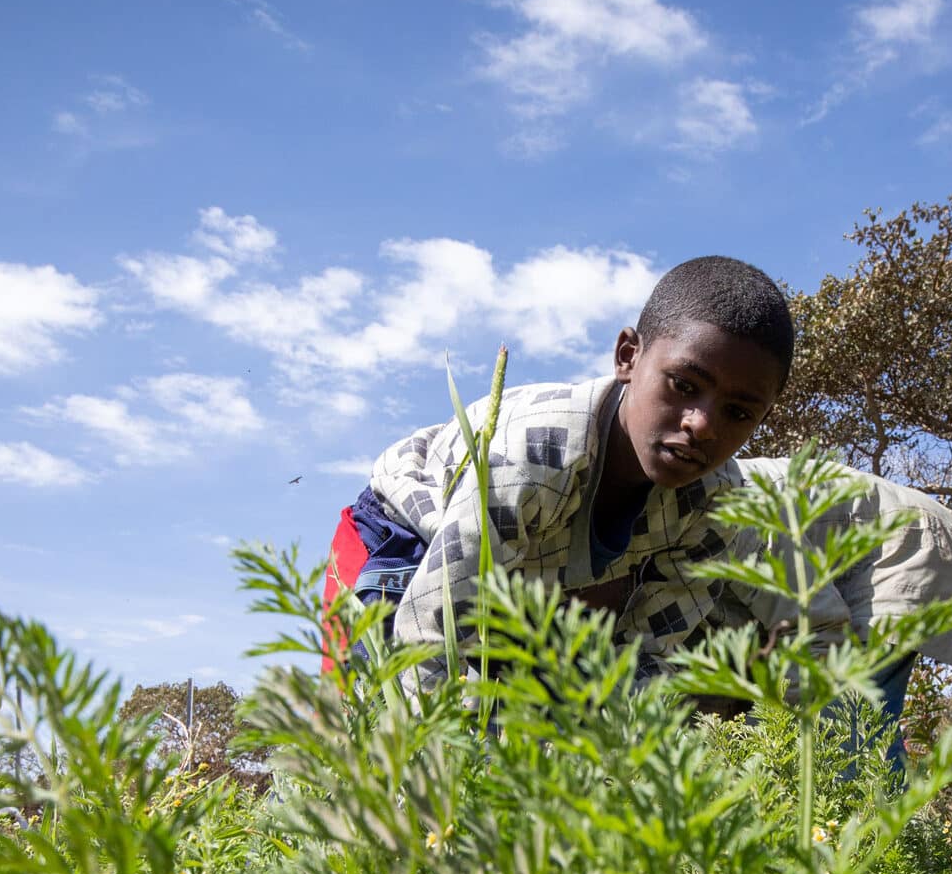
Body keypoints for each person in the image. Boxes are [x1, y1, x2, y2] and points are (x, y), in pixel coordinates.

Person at [323, 256, 795, 686]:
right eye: (683, 385)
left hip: (518, 578)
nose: (702, 425)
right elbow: (427, 630)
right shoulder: (534, 455)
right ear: (628, 356)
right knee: (374, 730)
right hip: (406, 538)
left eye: (738, 413)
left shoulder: (717, 504)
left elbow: (648, 659)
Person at [700, 459, 952, 767]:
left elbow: (821, 628)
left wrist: (765, 731)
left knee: (846, 735)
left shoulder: (712, 501)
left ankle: (886, 813)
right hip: (832, 558)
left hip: (900, 541)